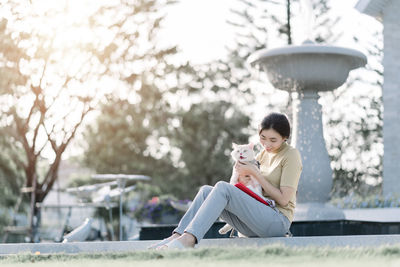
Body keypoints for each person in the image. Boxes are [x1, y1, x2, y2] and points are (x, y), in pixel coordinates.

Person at [149, 112, 303, 249]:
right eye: (263, 138)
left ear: (284, 138)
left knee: (222, 187)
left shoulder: (291, 155)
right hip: (255, 221)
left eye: (273, 140)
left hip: (277, 221)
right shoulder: (263, 154)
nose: (267, 144)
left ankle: (189, 239)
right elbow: (251, 188)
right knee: (206, 191)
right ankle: (178, 235)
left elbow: (284, 200)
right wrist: (243, 176)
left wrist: (255, 173)